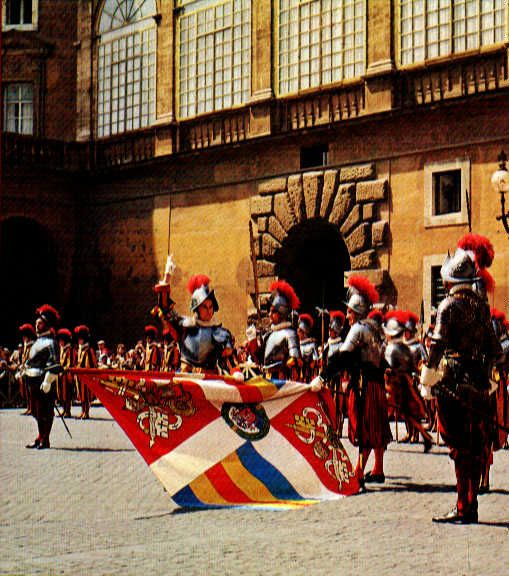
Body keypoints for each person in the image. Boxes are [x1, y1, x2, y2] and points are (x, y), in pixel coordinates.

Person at [420, 247, 502, 523]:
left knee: (458, 446)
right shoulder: (482, 306)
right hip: (479, 383)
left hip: (453, 382)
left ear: (450, 281)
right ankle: (471, 503)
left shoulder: (448, 305)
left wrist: (427, 376)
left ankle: (464, 505)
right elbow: (495, 350)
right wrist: (487, 374)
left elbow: (438, 345)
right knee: (474, 445)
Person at [312, 275, 391, 485]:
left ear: (357, 312)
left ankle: (358, 471)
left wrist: (323, 376)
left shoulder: (358, 329)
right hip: (376, 384)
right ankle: (378, 468)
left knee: (365, 428)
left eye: (349, 311)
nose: (347, 316)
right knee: (377, 428)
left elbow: (342, 357)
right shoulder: (375, 329)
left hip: (364, 385)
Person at [383, 310, 432, 452]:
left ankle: (383, 437)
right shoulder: (403, 347)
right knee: (407, 413)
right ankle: (424, 436)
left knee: (387, 411)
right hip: (404, 382)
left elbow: (389, 368)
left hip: (395, 385)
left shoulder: (393, 348)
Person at [167, 274, 237, 375]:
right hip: (186, 377)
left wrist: (236, 373)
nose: (209, 311)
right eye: (204, 307)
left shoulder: (220, 333)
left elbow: (229, 359)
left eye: (211, 306)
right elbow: (166, 312)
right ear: (197, 309)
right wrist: (166, 279)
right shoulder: (185, 326)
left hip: (209, 380)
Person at [24, 305, 62, 449]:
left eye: (39, 323)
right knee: (35, 411)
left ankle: (45, 439)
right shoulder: (37, 341)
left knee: (45, 410)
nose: (36, 325)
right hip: (32, 379)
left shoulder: (52, 343)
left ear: (46, 324)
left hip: (43, 380)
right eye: (36, 323)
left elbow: (55, 364)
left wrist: (47, 381)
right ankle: (40, 435)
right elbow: (31, 359)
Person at [259, 280, 301, 380]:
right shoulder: (269, 334)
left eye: (273, 311)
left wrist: (285, 365)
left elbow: (295, 359)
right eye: (270, 311)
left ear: (282, 312)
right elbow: (260, 357)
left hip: (280, 378)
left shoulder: (290, 334)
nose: (269, 314)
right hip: (266, 377)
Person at [74, 325, 97, 419]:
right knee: (81, 394)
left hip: (86, 375)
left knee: (86, 395)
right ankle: (82, 411)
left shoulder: (89, 350)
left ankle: (86, 412)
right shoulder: (79, 349)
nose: (79, 341)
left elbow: (91, 363)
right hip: (80, 375)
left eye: (81, 339)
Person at [16, 323, 36, 415]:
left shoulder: (32, 346)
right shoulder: (26, 346)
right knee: (27, 390)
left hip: (31, 370)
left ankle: (32, 408)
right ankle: (29, 407)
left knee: (31, 391)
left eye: (25, 336)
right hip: (25, 370)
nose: (23, 338)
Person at [56, 328, 74, 417]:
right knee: (61, 393)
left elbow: (69, 363)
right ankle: (64, 409)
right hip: (61, 374)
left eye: (61, 341)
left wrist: (63, 370)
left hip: (67, 375)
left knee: (67, 394)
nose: (60, 342)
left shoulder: (69, 350)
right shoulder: (62, 350)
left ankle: (68, 411)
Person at [298, 313, 319, 382]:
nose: (298, 334)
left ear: (304, 333)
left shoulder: (312, 344)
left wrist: (313, 362)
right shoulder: (296, 344)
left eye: (300, 332)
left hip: (308, 369)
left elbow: (315, 357)